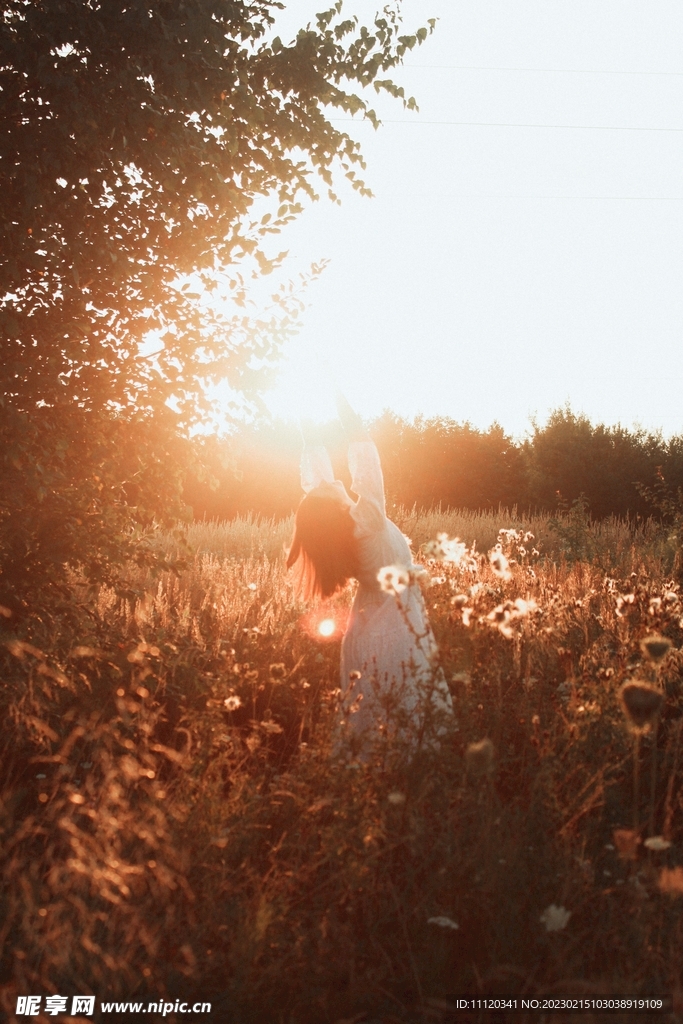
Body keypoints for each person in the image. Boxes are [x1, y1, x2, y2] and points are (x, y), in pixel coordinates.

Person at [287, 395, 453, 753]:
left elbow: (315, 473)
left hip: (367, 623)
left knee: (371, 723)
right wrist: (337, 395)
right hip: (394, 626)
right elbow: (365, 457)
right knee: (406, 718)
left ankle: (369, 790)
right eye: (325, 487)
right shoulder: (367, 521)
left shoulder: (342, 523)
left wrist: (301, 406)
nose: (326, 481)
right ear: (331, 506)